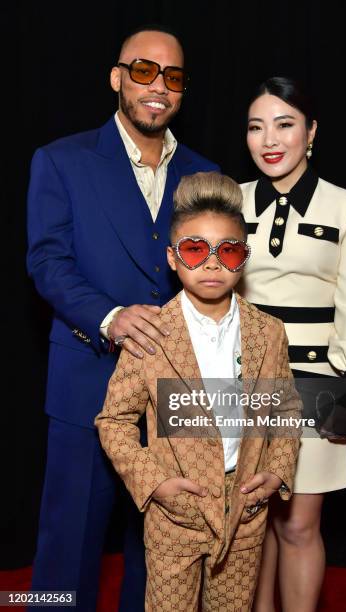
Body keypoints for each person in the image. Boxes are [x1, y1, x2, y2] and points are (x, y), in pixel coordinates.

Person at [26, 24, 218, 611]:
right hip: (88, 381)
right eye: (143, 71)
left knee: (163, 556)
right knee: (67, 548)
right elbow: (47, 260)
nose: (158, 86)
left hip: (178, 398)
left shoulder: (208, 178)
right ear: (117, 79)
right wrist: (108, 317)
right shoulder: (62, 161)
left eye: (173, 76)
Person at [95, 171, 302, 611]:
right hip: (175, 517)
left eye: (227, 251)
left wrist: (277, 473)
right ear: (173, 258)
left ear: (243, 258)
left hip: (244, 512)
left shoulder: (269, 332)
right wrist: (157, 484)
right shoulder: (151, 333)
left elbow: (284, 408)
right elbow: (113, 421)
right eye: (194, 249)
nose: (211, 264)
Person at [238, 77, 346, 612]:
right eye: (256, 126)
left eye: (285, 124)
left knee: (300, 526)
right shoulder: (228, 201)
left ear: (311, 132)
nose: (270, 139)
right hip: (240, 380)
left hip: (316, 382)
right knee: (249, 524)